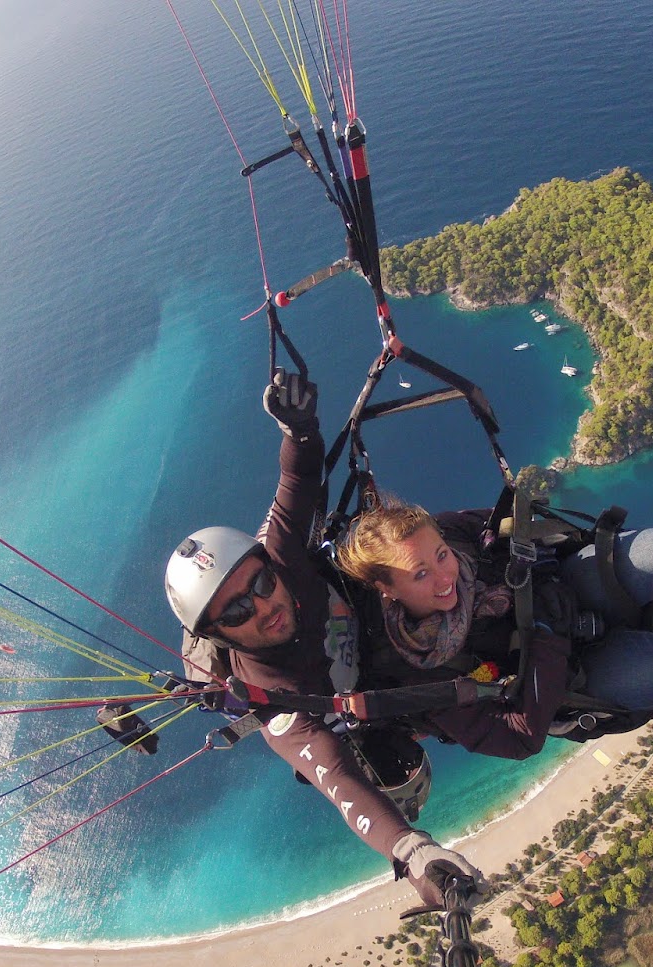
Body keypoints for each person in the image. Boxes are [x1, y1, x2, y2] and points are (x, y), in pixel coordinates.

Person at [163, 371, 482, 909]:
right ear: (217, 634)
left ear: (268, 566)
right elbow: (335, 777)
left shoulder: (285, 560)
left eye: (259, 584)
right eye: (237, 611)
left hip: (379, 642)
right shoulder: (276, 705)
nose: (262, 605)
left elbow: (298, 481)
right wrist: (413, 851)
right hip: (371, 685)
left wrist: (299, 429)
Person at [334, 499, 653, 758]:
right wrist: (546, 633)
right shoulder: (418, 674)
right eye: (420, 575)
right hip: (569, 674)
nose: (444, 577)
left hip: (563, 587)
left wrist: (536, 543)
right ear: (387, 589)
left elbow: (507, 522)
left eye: (442, 556)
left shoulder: (449, 531)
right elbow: (518, 740)